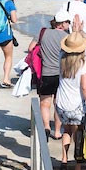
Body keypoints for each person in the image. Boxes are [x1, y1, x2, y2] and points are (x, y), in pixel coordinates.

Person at [56, 31, 86, 170]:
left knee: (67, 130)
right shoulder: (82, 64)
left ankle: (64, 160)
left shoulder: (61, 59)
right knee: (79, 136)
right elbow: (85, 87)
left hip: (61, 103)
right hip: (76, 105)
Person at [29, 10, 71, 139]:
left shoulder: (43, 33)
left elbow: (31, 48)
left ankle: (46, 127)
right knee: (58, 104)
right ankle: (57, 131)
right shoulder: (66, 37)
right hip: (61, 74)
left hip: (45, 73)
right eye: (68, 22)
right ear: (62, 24)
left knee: (45, 103)